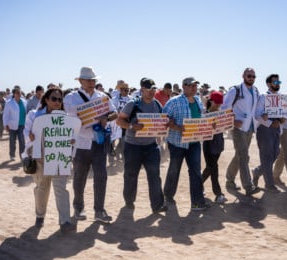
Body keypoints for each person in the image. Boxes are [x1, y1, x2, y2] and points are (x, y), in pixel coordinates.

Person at [63, 66, 117, 223]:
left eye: (94, 80)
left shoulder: (103, 97)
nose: (92, 82)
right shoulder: (71, 98)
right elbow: (65, 119)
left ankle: (99, 210)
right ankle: (78, 207)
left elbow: (114, 113)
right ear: (80, 81)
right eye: (88, 80)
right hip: (80, 143)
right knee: (79, 177)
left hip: (98, 142)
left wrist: (107, 118)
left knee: (101, 176)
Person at [24, 87, 76, 233]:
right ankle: (40, 216)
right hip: (40, 158)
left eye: (60, 99)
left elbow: (72, 134)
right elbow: (26, 132)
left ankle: (65, 221)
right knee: (42, 188)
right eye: (54, 99)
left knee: (61, 189)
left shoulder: (66, 118)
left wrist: (71, 140)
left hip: (60, 156)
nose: (57, 102)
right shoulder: (34, 115)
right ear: (46, 100)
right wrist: (30, 135)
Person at [116, 78, 168, 213]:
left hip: (151, 146)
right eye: (149, 89)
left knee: (154, 175)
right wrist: (132, 126)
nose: (152, 92)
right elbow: (119, 120)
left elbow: (162, 121)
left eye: (154, 89)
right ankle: (129, 201)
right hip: (133, 146)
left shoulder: (157, 105)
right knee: (131, 175)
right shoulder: (132, 104)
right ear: (142, 90)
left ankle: (157, 205)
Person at [163, 77, 209, 211]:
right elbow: (164, 119)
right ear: (184, 86)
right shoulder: (174, 101)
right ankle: (168, 195)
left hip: (194, 142)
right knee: (174, 169)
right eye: (191, 86)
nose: (194, 88)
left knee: (195, 172)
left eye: (195, 86)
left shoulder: (198, 100)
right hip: (177, 143)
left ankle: (197, 202)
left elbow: (202, 117)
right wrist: (177, 127)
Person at [221, 68, 260, 196]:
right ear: (243, 76)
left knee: (239, 155)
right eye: (249, 76)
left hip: (249, 128)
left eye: (253, 76)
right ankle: (248, 186)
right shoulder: (235, 90)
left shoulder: (255, 91)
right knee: (244, 155)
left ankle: (229, 180)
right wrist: (233, 120)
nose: (251, 78)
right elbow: (224, 107)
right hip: (237, 128)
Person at [253, 74, 285, 193]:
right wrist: (270, 122)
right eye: (275, 82)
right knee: (266, 157)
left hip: (276, 130)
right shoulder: (263, 97)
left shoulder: (281, 98)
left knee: (275, 153)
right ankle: (269, 184)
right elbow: (257, 115)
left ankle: (257, 171)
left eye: (278, 82)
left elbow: (283, 115)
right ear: (269, 84)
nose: (277, 84)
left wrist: (282, 119)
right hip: (264, 130)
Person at [201, 91, 227, 204]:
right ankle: (218, 193)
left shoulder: (221, 114)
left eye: (219, 103)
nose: (218, 105)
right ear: (211, 101)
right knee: (213, 168)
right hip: (208, 144)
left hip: (218, 144)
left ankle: (198, 184)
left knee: (210, 168)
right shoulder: (204, 113)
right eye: (216, 103)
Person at [3, 87, 27, 160]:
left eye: (20, 92)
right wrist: (6, 124)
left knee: (22, 141)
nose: (19, 94)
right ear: (14, 94)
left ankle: (22, 156)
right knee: (12, 141)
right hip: (12, 125)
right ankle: (12, 155)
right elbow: (5, 114)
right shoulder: (9, 103)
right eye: (17, 93)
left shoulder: (24, 102)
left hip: (22, 125)